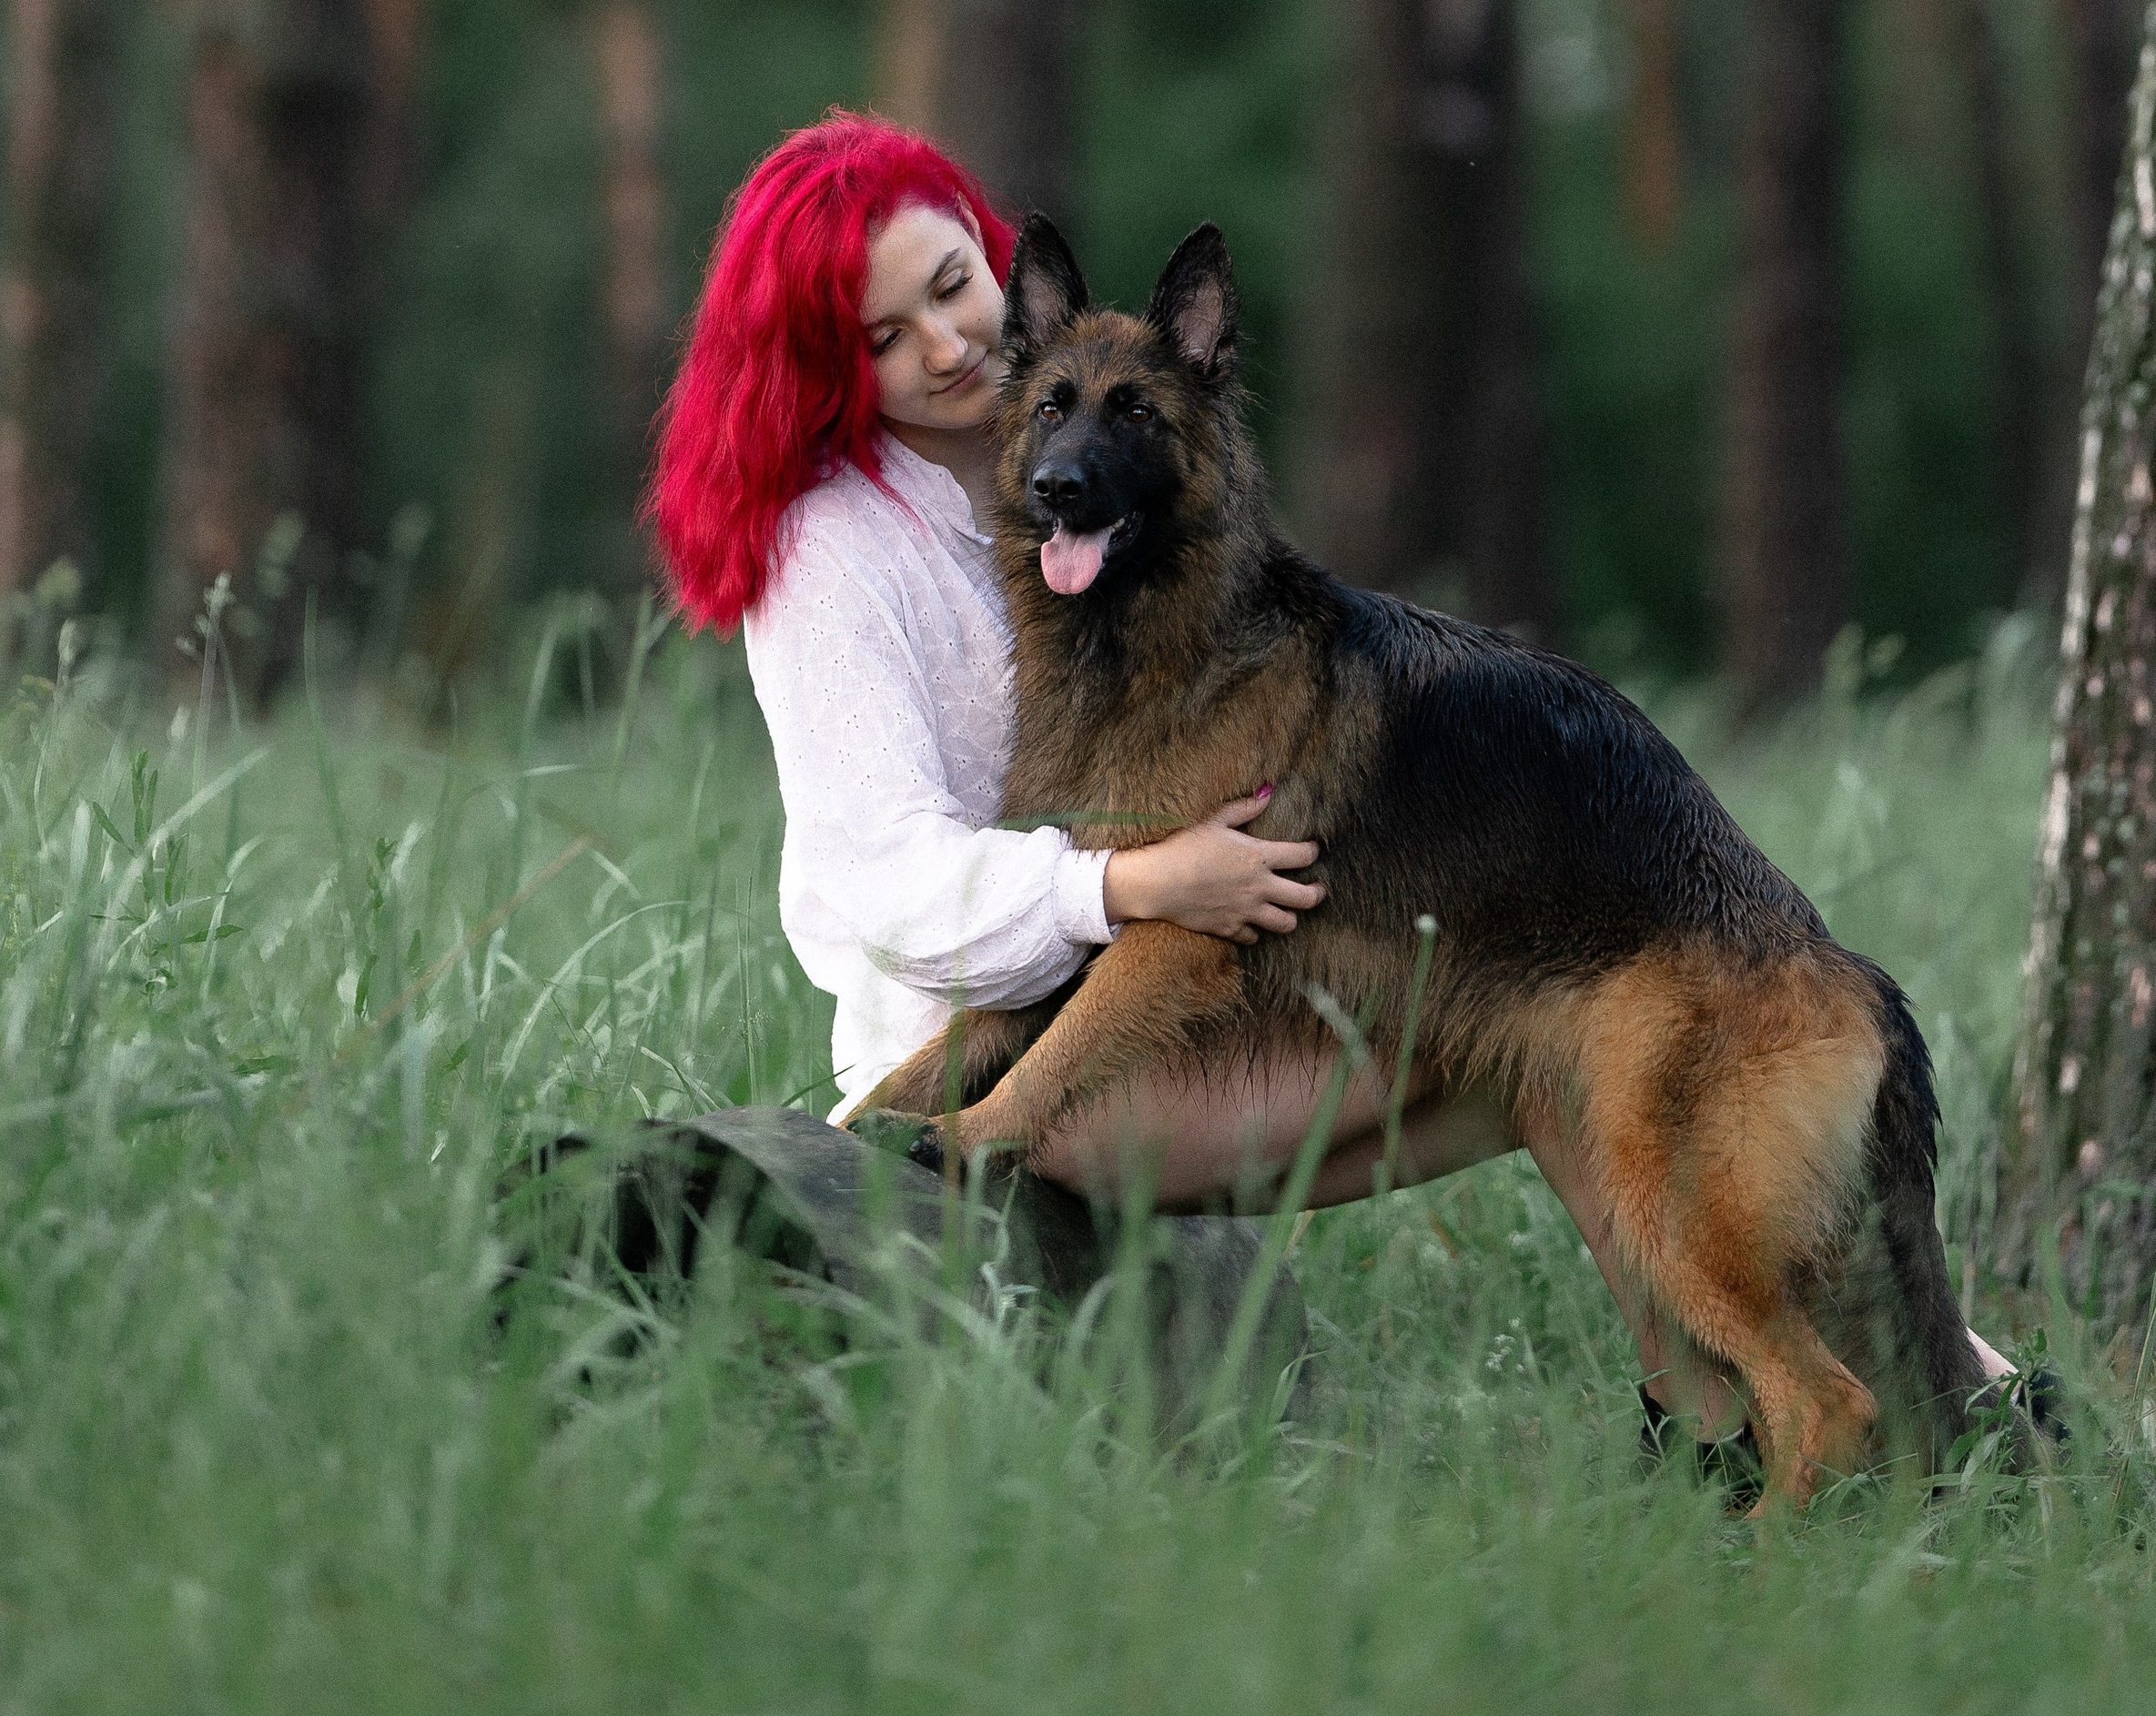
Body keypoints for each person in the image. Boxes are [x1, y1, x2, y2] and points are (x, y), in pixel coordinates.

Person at [655, 109, 2016, 1430]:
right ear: (830, 366)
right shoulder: (833, 554)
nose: (944, 344)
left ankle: (1754, 1422)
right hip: (995, 1067)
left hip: (1165, 1007)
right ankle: (1839, 1410)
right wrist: (1126, 884)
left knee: (1567, 1026)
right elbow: (887, 885)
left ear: (990, 257)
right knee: (1560, 1041)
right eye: (884, 336)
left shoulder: (1117, 498)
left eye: (954, 288)